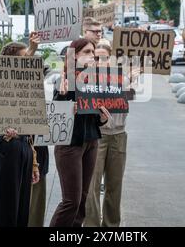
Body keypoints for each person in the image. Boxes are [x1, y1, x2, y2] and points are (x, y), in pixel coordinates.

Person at [49, 38, 111, 227]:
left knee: (83, 200)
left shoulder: (94, 79)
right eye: (86, 52)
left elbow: (96, 117)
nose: (92, 56)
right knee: (71, 201)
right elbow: (54, 114)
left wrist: (102, 117)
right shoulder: (64, 78)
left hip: (91, 141)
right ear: (74, 55)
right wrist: (64, 100)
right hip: (70, 145)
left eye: (93, 52)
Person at [0, 37, 43, 227]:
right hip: (6, 148)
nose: (27, 62)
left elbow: (30, 135)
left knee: (20, 212)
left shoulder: (26, 88)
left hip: (23, 148)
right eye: (23, 58)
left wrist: (34, 162)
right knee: (4, 212)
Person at [83, 44, 136, 227]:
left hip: (119, 135)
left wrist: (131, 80)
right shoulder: (87, 78)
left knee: (115, 185)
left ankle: (111, 226)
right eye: (96, 58)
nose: (100, 62)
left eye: (104, 58)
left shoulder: (122, 78)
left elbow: (129, 98)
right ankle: (91, 225)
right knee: (92, 185)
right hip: (96, 135)